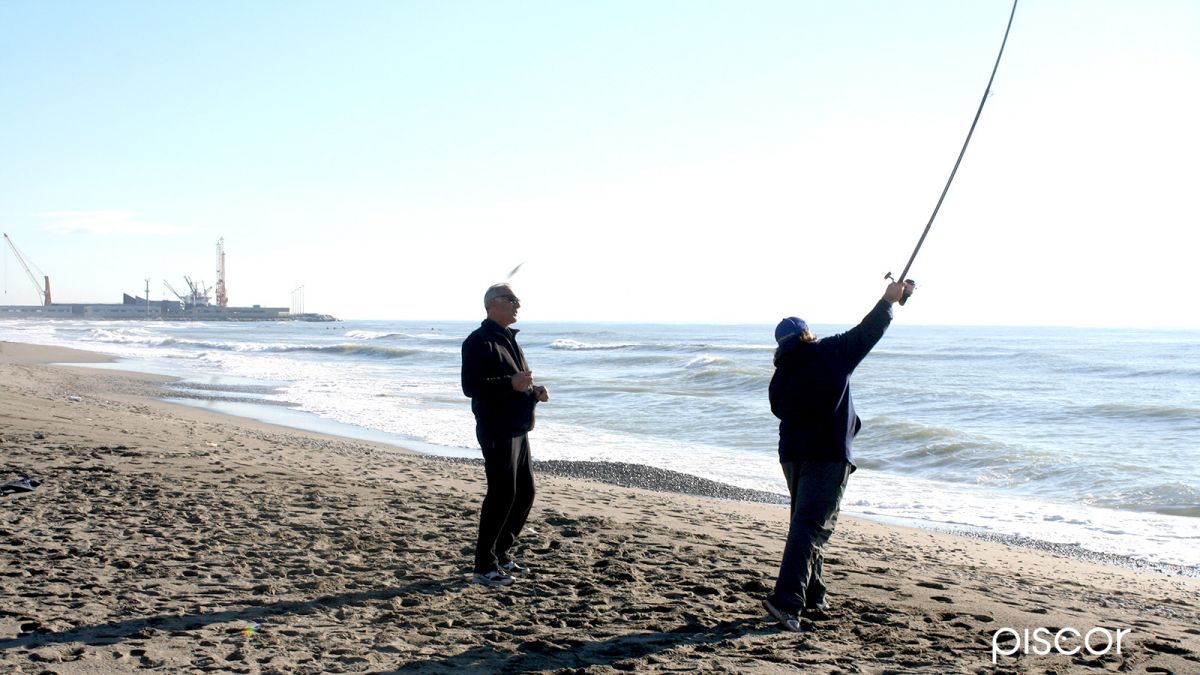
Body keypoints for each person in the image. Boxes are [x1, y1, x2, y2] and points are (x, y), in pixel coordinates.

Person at [762, 279, 914, 632]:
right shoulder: (828, 353)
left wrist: (892, 300)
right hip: (827, 456)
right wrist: (889, 300)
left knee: (805, 523)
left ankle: (814, 595)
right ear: (806, 335)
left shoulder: (781, 375)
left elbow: (779, 410)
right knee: (812, 527)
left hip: (793, 457)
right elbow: (869, 330)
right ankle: (786, 602)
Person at [461, 283, 550, 587]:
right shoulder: (479, 341)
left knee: (525, 493)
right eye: (513, 300)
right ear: (493, 304)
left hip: (518, 427)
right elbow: (471, 386)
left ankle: (500, 553)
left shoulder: (509, 339)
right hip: (496, 427)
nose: (518, 305)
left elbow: (515, 383)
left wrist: (533, 393)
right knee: (501, 495)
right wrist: (509, 383)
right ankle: (484, 566)